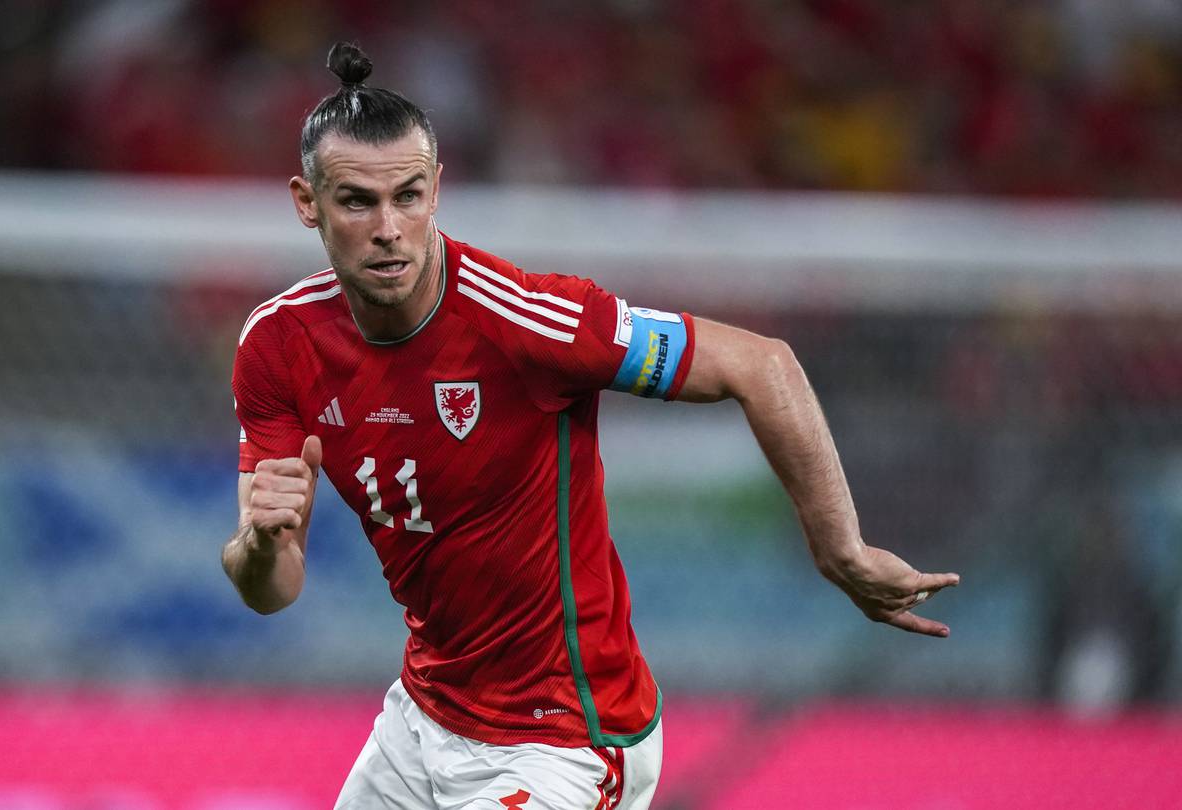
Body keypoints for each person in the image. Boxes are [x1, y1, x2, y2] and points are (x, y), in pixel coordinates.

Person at [223, 42, 960, 810]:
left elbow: (762, 365)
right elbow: (271, 591)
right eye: (356, 202)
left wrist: (839, 546)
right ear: (307, 202)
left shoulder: (530, 321)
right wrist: (259, 544)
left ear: (438, 190)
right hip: (423, 720)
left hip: (567, 737)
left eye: (408, 196)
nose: (388, 228)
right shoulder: (277, 347)